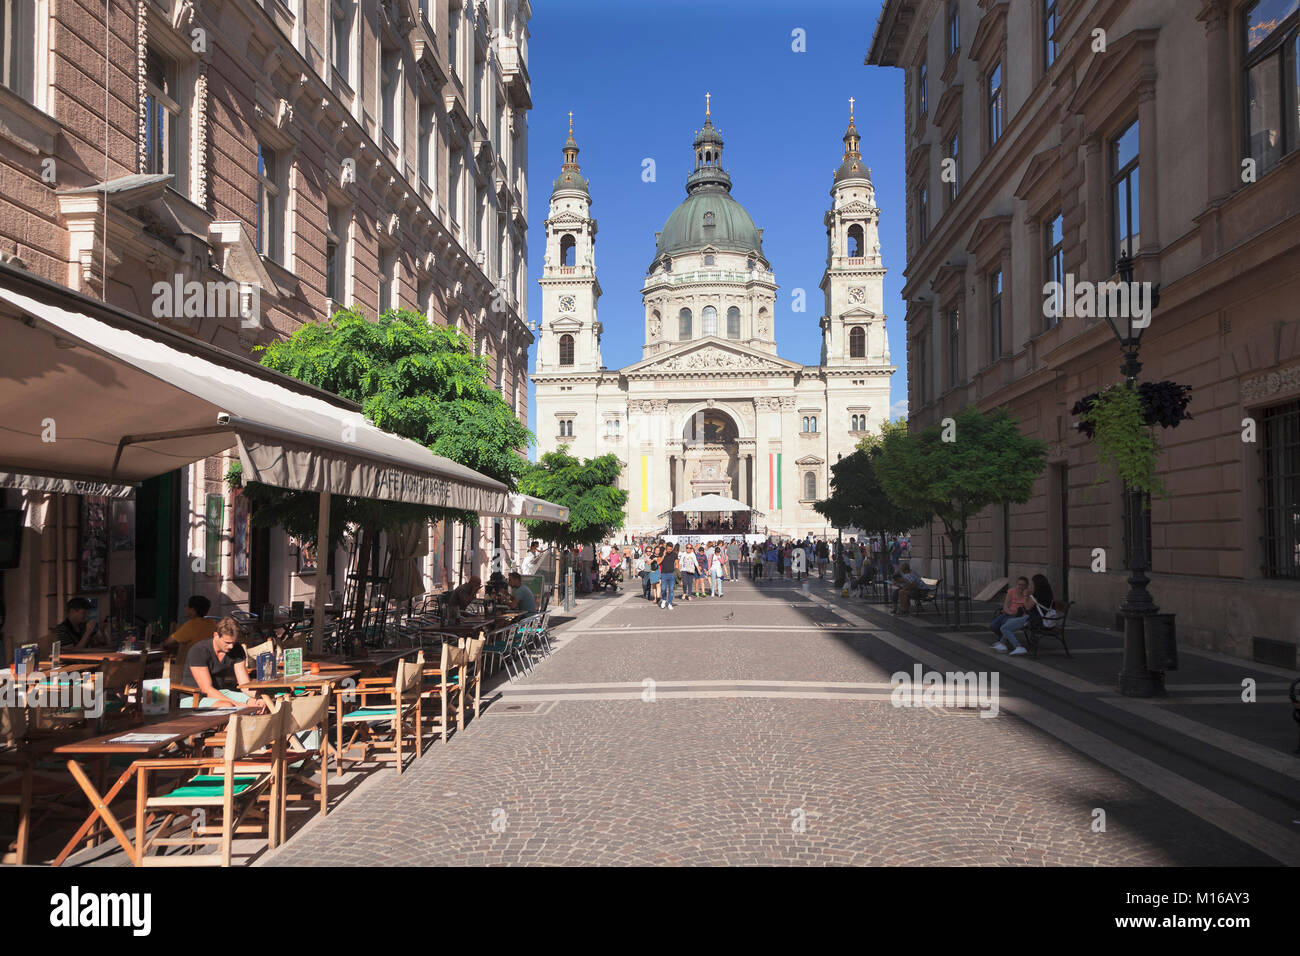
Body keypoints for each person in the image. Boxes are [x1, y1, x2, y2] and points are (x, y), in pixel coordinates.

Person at [182, 617, 265, 710]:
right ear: (216, 635)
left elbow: (244, 685)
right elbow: (206, 689)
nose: (231, 646)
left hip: (221, 692)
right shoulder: (199, 650)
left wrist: (260, 697)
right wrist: (237, 704)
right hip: (194, 696)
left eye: (234, 642)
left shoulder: (237, 649)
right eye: (227, 642)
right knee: (227, 706)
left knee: (254, 702)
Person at [995, 574, 1053, 656]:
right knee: (1009, 621)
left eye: (1033, 583)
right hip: (1039, 618)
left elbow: (1027, 607)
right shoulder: (1048, 594)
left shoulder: (1037, 595)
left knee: (1004, 628)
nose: (1032, 585)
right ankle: (1002, 643)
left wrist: (1026, 596)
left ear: (1037, 584)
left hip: (1034, 620)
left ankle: (1018, 647)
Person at [163, 595, 214, 663]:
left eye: (187, 605)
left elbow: (167, 642)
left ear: (192, 610)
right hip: (208, 662)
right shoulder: (211, 623)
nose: (185, 607)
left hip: (192, 664)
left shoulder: (192, 624)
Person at [659, 545, 677, 610]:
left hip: (672, 574)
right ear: (666, 548)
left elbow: (677, 563)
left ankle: (669, 603)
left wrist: (678, 573)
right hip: (664, 574)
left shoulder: (674, 554)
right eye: (668, 549)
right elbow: (658, 562)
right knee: (663, 589)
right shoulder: (662, 553)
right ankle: (664, 600)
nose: (669, 550)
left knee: (671, 590)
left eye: (671, 549)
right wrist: (663, 555)